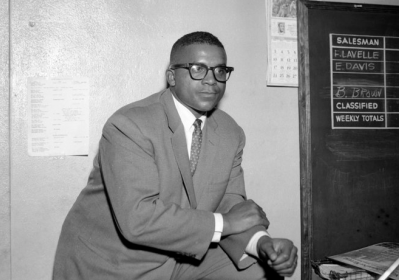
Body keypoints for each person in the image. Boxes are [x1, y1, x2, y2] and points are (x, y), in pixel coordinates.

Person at [53, 31, 298, 280]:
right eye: (198, 69)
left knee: (260, 269)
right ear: (171, 76)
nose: (211, 80)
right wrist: (225, 223)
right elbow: (138, 219)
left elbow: (228, 201)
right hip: (114, 260)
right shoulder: (129, 125)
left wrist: (262, 243)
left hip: (181, 254)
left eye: (220, 71)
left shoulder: (230, 132)